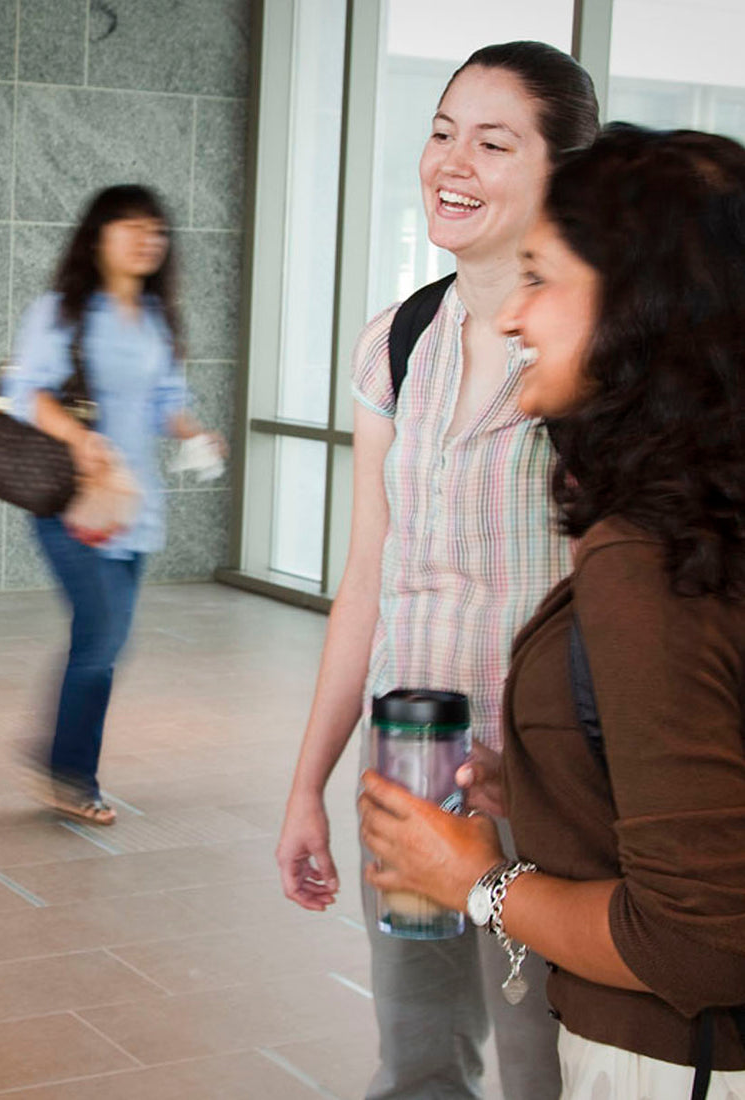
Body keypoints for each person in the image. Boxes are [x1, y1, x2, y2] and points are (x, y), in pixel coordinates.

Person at [358, 123, 745, 1099]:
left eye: (542, 277)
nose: (516, 315)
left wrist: (478, 881)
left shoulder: (647, 552)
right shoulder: (705, 514)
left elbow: (695, 944)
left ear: (642, 305)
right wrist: (533, 781)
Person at [275, 41, 599, 1100]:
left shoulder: (592, 355)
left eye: (491, 142)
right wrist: (307, 782)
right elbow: (367, 576)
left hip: (544, 774)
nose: (449, 162)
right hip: (408, 757)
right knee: (415, 1050)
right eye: (440, 130)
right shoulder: (398, 339)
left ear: (558, 173)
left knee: (537, 1052)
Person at [3, 184, 222, 827]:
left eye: (155, 229)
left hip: (130, 508)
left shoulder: (154, 319)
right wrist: (81, 438)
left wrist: (195, 434)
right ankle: (72, 776)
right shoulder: (63, 311)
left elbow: (162, 406)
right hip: (70, 502)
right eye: (130, 227)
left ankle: (56, 756)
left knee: (103, 640)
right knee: (101, 638)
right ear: (98, 237)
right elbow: (26, 393)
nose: (145, 239)